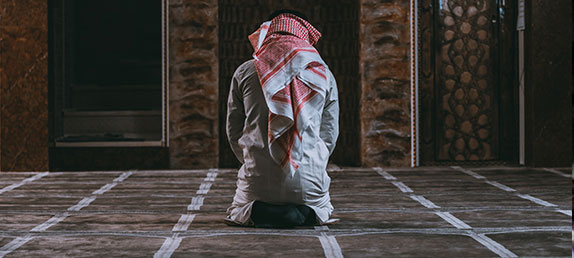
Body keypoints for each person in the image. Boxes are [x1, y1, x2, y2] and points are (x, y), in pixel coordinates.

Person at [225, 9, 339, 228]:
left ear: (266, 34)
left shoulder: (245, 71)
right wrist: (313, 158)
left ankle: (259, 211)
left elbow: (234, 131)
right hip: (310, 182)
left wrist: (254, 159)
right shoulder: (323, 73)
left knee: (239, 210)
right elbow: (329, 134)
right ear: (303, 36)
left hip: (256, 181)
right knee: (322, 207)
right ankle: (307, 212)